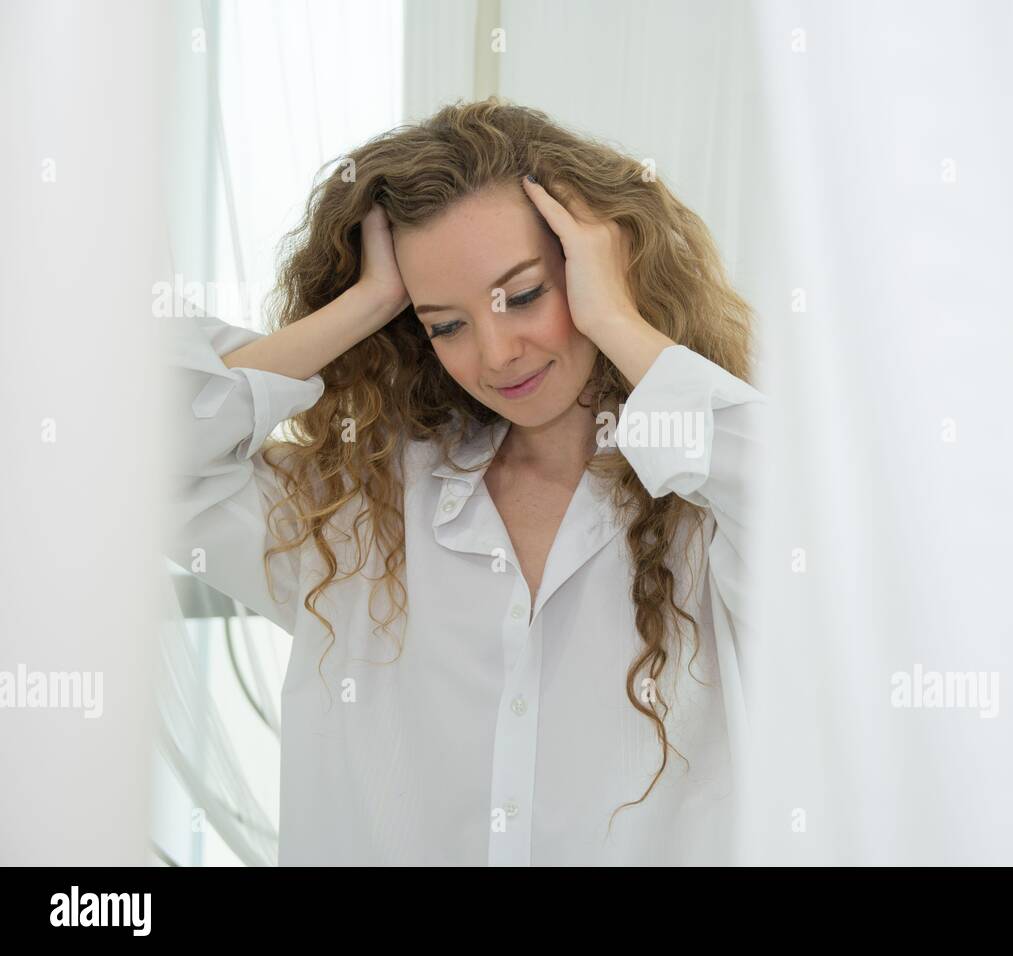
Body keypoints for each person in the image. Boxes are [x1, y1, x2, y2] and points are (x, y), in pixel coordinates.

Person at [164, 98, 767, 865]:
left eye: (523, 296)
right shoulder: (358, 514)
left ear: (598, 269)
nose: (495, 353)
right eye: (444, 323)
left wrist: (618, 319)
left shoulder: (706, 510)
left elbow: (826, 535)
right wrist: (365, 305)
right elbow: (115, 454)